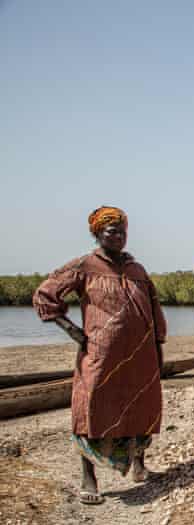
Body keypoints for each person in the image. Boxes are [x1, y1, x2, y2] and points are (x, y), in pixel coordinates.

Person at [33, 207, 166, 505]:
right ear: (97, 234)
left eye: (122, 232)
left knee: (141, 405)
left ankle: (139, 465)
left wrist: (158, 346)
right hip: (100, 354)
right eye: (111, 232)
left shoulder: (137, 270)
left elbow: (155, 310)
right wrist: (71, 329)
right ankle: (88, 476)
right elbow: (45, 294)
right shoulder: (84, 266)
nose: (118, 237)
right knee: (91, 408)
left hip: (140, 354)